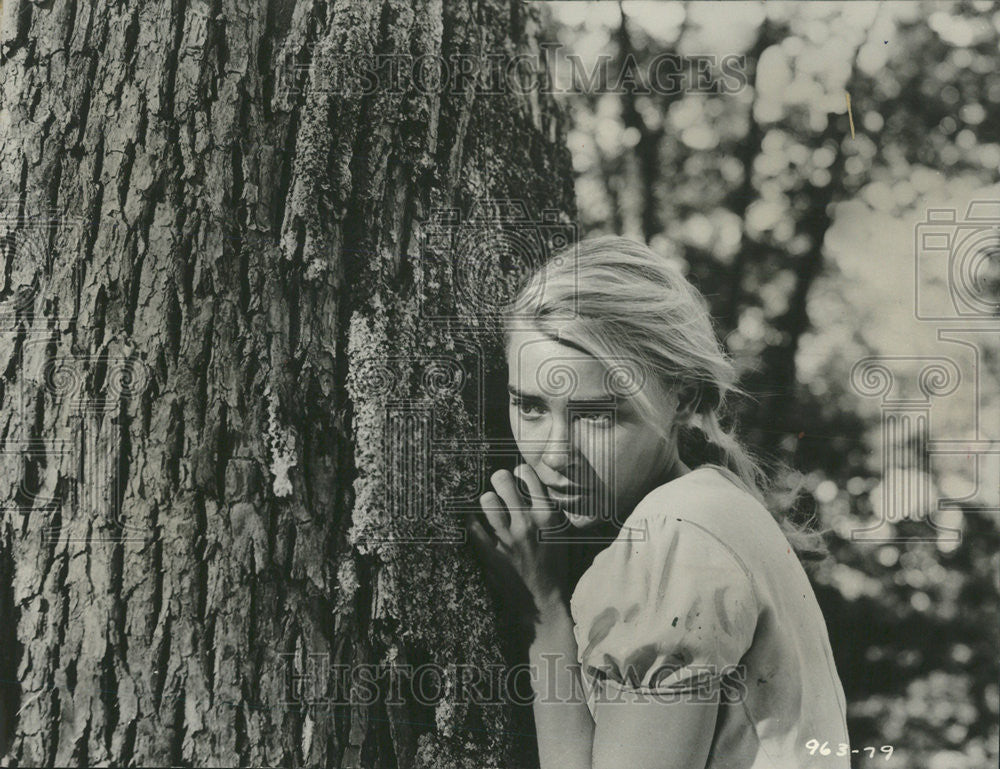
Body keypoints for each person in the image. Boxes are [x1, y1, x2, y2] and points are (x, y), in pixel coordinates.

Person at [467, 236, 850, 769]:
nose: (553, 454)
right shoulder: (719, 505)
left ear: (684, 398)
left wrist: (544, 608)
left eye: (597, 416)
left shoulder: (675, 538)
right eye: (529, 407)